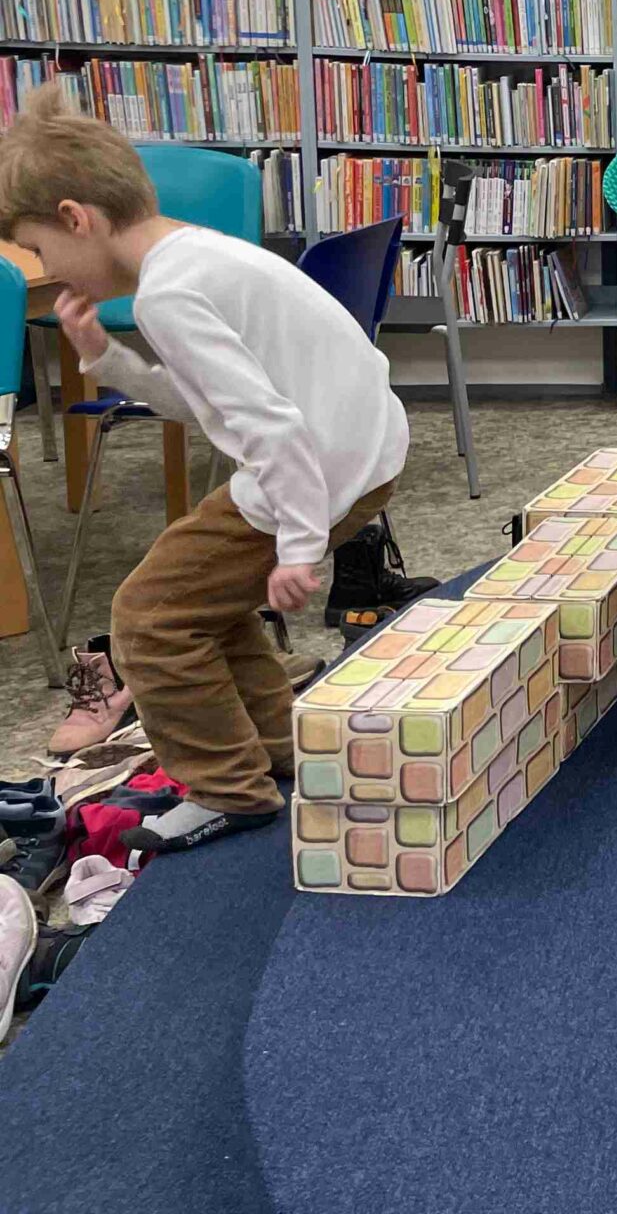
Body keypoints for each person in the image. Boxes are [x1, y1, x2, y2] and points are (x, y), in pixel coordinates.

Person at [0, 88, 408, 852]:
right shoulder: (193, 252)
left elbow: (268, 424)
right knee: (198, 604)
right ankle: (281, 748)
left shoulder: (166, 294)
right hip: (354, 447)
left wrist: (297, 545)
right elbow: (214, 403)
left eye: (43, 252)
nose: (51, 273)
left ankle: (226, 789)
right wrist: (108, 359)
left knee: (147, 618)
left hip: (313, 467)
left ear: (76, 219)